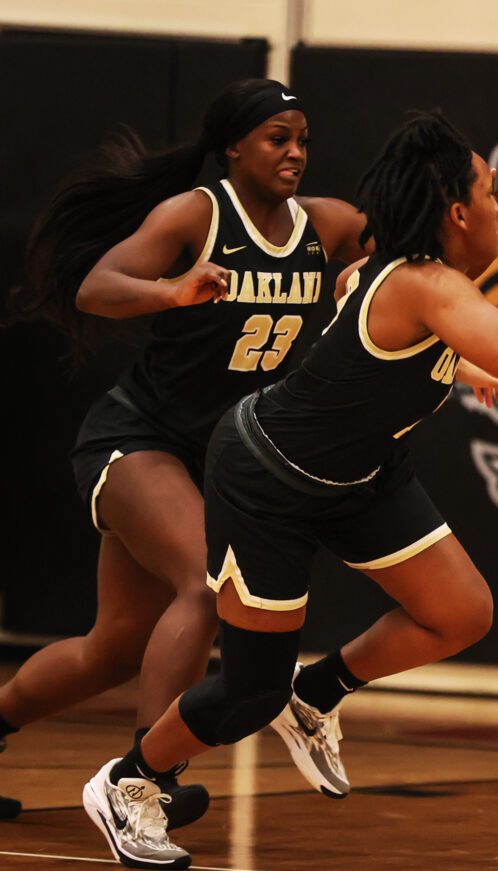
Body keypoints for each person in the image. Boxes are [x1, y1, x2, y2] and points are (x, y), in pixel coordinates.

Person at [80, 109, 498, 870]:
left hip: (360, 472)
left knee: (461, 611)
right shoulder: (423, 282)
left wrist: (458, 331)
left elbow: (383, 311)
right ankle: (133, 780)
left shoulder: (412, 272)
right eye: (481, 188)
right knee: (246, 693)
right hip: (268, 478)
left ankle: (319, 691)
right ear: (455, 213)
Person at [0, 79, 369, 826]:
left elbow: (419, 254)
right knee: (207, 584)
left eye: (303, 139)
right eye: (278, 139)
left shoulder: (325, 225)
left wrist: (483, 218)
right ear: (234, 146)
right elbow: (96, 288)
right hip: (136, 441)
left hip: (212, 458)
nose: (296, 152)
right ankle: (145, 784)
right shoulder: (196, 215)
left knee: (112, 650)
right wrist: (172, 291)